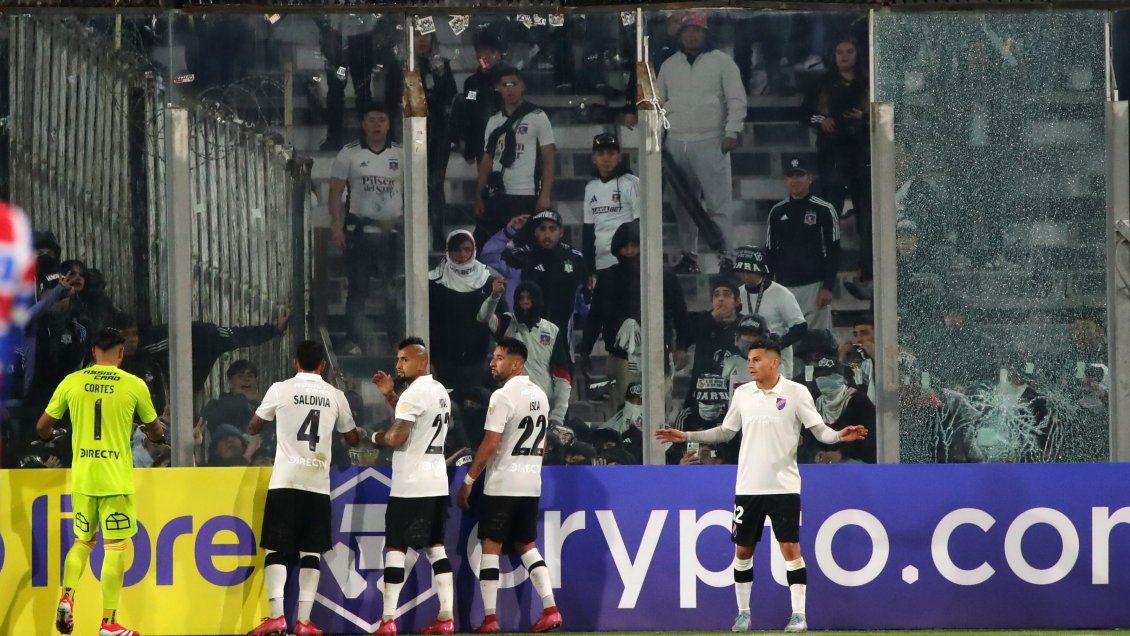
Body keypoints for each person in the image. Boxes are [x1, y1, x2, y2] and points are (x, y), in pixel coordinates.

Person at [656, 337, 867, 633]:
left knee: (790, 548)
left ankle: (799, 615)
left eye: (756, 360)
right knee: (743, 551)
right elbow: (725, 432)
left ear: (774, 362)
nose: (751, 365)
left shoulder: (796, 393)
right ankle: (743, 614)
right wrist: (687, 435)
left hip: (784, 487)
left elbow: (819, 430)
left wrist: (838, 436)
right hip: (748, 488)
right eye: (749, 360)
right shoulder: (743, 394)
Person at [39, 327, 164, 636]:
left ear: (93, 352)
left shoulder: (72, 381)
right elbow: (157, 432)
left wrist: (53, 436)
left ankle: (68, 595)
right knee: (115, 547)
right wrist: (150, 434)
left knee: (82, 541)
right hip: (115, 479)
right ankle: (108, 623)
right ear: (121, 353)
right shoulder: (134, 385)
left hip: (83, 478)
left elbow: (43, 427)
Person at [246, 340, 360, 636]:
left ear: (295, 362)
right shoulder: (336, 395)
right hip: (317, 483)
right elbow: (352, 438)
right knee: (312, 551)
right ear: (322, 365)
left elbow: (254, 426)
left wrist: (266, 419)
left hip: (286, 480)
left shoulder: (280, 389)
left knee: (276, 548)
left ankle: (276, 616)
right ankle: (305, 622)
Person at [456, 338, 563, 634]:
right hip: (530, 482)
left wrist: (468, 481)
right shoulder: (540, 395)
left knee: (490, 545)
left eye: (499, 358)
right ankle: (551, 609)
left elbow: (490, 443)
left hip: (503, 482)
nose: (493, 362)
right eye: (493, 357)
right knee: (526, 544)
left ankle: (490, 618)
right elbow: (542, 442)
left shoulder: (502, 396)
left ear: (516, 363)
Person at [368, 337, 456, 635]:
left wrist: (373, 438)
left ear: (421, 361)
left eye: (404, 359)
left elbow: (395, 438)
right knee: (436, 548)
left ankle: (388, 620)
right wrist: (391, 395)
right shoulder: (439, 391)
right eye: (398, 359)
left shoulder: (413, 395)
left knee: (395, 547)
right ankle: (446, 617)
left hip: (411, 483)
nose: (397, 365)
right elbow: (416, 422)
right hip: (436, 482)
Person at [657, 12, 746, 273]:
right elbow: (658, 104)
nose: (691, 35)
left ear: (706, 32)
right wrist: (659, 138)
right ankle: (689, 256)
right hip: (676, 140)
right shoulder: (669, 65)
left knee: (719, 203)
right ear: (680, 34)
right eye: (687, 31)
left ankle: (727, 255)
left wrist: (732, 131)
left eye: (696, 30)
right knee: (683, 203)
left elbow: (736, 100)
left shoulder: (722, 62)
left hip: (711, 139)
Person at [579, 221, 691, 415]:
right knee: (625, 417)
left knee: (658, 413)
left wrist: (682, 346)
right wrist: (585, 350)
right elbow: (595, 317)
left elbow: (680, 312)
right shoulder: (607, 278)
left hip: (658, 356)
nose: (630, 251)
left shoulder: (663, 274)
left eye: (635, 245)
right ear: (617, 248)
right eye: (625, 246)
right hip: (621, 358)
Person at [328, 102, 405, 355]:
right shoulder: (348, 154)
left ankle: (396, 340)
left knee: (392, 290)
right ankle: (355, 340)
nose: (376, 125)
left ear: (389, 124)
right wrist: (337, 226)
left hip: (391, 234)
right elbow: (336, 192)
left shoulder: (401, 154)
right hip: (360, 233)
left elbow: (413, 193)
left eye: (381, 120)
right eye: (371, 120)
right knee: (358, 289)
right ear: (363, 123)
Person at [802, 37, 871, 298]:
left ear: (858, 54)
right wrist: (823, 120)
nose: (844, 56)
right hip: (833, 155)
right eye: (839, 51)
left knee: (867, 215)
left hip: (863, 154)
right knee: (831, 213)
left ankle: (866, 271)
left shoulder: (869, 81)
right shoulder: (823, 83)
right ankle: (825, 270)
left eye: (849, 51)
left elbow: (883, 113)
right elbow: (805, 113)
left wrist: (864, 119)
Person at [474, 66, 556, 248]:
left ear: (523, 86)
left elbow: (549, 160)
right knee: (492, 248)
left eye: (514, 84)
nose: (509, 89)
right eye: (505, 85)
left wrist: (545, 195)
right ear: (499, 88)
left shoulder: (537, 117)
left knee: (523, 249)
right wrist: (479, 194)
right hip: (498, 194)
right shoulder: (494, 120)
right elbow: (487, 159)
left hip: (525, 194)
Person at [481, 210, 586, 348]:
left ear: (561, 232)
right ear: (535, 232)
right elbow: (488, 255)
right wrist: (509, 231)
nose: (547, 234)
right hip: (526, 338)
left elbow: (583, 298)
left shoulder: (575, 259)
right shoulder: (522, 257)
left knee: (561, 369)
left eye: (552, 229)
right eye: (542, 229)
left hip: (562, 338)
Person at [478, 280, 572, 428]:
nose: (525, 302)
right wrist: (494, 296)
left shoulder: (552, 331)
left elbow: (562, 377)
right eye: (521, 298)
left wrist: (557, 417)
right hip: (510, 406)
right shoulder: (507, 322)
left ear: (537, 300)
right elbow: (483, 317)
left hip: (541, 407)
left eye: (529, 298)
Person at [766, 158, 840, 332]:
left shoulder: (825, 209)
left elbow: (834, 251)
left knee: (817, 343)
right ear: (785, 180)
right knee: (784, 343)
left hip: (814, 288)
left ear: (810, 178)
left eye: (800, 175)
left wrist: (828, 287)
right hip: (784, 287)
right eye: (791, 176)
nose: (795, 180)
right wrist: (768, 288)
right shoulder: (777, 212)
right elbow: (769, 251)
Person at [428, 230, 498, 412]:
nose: (462, 255)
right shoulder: (434, 282)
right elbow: (428, 322)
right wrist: (431, 362)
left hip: (477, 363)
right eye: (457, 250)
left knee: (472, 413)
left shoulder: (488, 281)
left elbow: (499, 322)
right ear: (448, 251)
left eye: (467, 249)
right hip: (443, 363)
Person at [414, 31, 459, 251]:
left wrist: (440, 72)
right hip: (413, 131)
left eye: (426, 36)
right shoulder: (406, 65)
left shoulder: (441, 64)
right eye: (417, 35)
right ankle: (415, 233)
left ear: (433, 39)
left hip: (439, 131)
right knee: (413, 184)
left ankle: (438, 234)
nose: (421, 40)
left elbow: (452, 95)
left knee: (435, 183)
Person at [733, 245, 807, 379]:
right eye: (742, 271)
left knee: (777, 399)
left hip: (777, 362)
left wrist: (778, 344)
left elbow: (800, 327)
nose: (745, 276)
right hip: (745, 361)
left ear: (761, 270)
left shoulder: (781, 294)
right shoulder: (738, 294)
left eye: (749, 271)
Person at [582, 132, 641, 274]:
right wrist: (588, 269)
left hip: (626, 263)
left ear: (620, 157)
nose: (606, 158)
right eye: (601, 153)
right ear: (594, 158)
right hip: (601, 265)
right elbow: (588, 231)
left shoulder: (632, 183)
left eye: (611, 153)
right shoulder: (590, 187)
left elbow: (641, 224)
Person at [451, 30, 504, 168]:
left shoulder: (508, 79)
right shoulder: (472, 83)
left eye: (490, 51)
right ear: (476, 54)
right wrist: (467, 144)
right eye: (481, 51)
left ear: (498, 54)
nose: (485, 56)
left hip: (505, 141)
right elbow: (470, 108)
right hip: (481, 143)